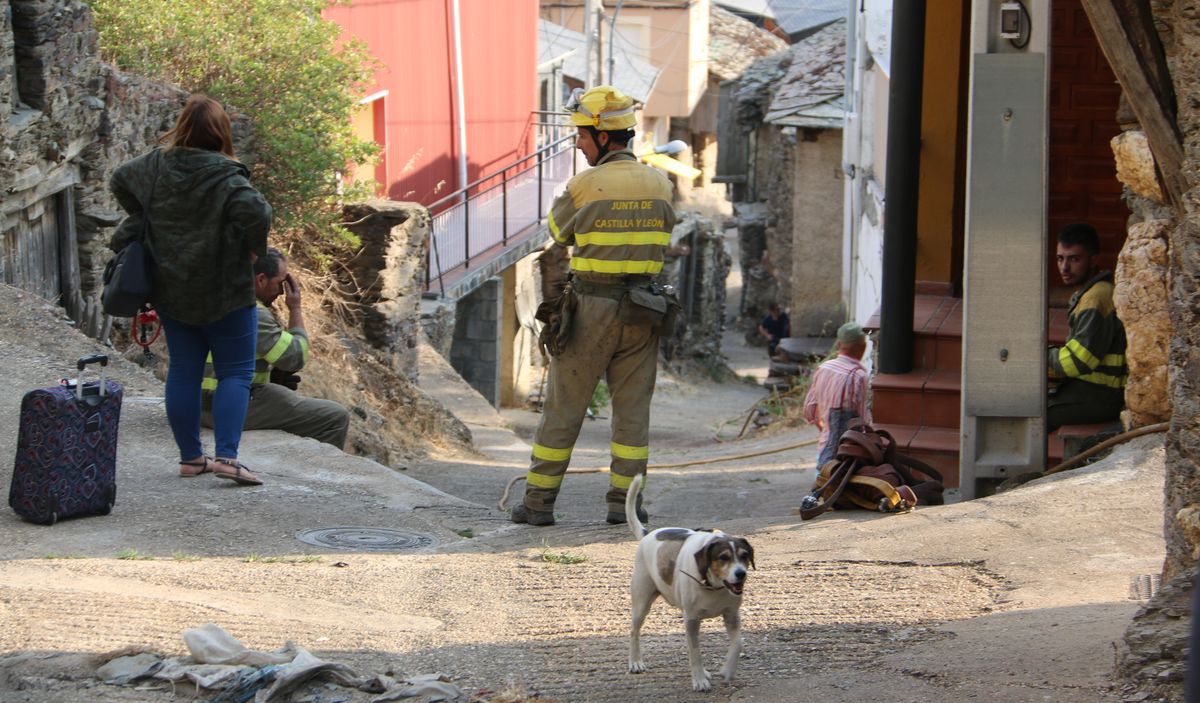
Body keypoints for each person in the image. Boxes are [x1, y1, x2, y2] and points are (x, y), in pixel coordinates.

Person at [512, 85, 676, 527]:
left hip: (591, 308)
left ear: (604, 137)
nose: (579, 144)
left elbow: (558, 233)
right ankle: (626, 505)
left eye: (582, 136)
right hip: (644, 309)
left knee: (564, 408)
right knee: (632, 413)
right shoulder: (661, 184)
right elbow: (664, 237)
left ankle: (538, 504)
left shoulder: (583, 186)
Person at [109, 94, 271, 486]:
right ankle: (227, 459)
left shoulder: (154, 165)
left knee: (184, 371)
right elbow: (258, 212)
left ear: (182, 126)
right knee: (235, 373)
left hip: (172, 286)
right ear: (220, 132)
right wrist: (253, 250)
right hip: (226, 291)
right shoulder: (226, 174)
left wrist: (147, 217)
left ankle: (191, 459)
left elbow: (119, 179)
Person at [200, 248, 350, 449]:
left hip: (196, 401)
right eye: (280, 283)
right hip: (223, 407)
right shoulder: (253, 313)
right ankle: (316, 474)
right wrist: (295, 308)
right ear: (261, 280)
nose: (281, 292)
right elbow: (295, 357)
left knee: (283, 395)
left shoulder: (212, 300)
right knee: (334, 417)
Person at [1047, 223, 1127, 432]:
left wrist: (1043, 355)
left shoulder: (1096, 299)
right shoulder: (1089, 293)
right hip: (1090, 389)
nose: (1064, 268)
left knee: (1034, 412)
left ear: (1093, 260)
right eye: (1060, 258)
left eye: (1074, 259)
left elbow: (1077, 362)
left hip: (1102, 396)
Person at [803, 322, 872, 468]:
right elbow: (864, 421)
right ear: (863, 347)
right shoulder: (858, 376)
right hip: (848, 457)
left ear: (839, 345)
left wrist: (827, 429)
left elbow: (809, 411)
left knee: (822, 487)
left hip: (823, 451)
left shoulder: (823, 368)